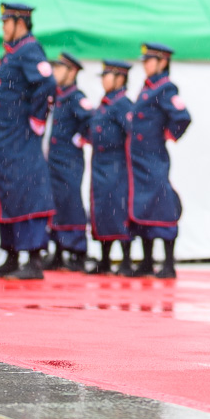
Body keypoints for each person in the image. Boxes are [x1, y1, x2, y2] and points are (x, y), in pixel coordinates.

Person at [0, 2, 58, 280]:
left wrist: (37, 120)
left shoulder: (29, 49)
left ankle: (34, 259)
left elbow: (47, 83)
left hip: (21, 138)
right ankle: (12, 254)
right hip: (6, 140)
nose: (3, 26)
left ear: (20, 22)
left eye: (6, 21)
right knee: (9, 194)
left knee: (28, 193)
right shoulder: (11, 53)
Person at [128, 43, 191, 278]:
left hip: (153, 158)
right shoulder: (148, 88)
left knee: (162, 205)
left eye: (150, 60)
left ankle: (168, 263)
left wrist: (169, 134)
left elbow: (182, 116)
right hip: (139, 159)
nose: (145, 64)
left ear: (162, 62)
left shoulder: (165, 88)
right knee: (145, 206)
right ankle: (147, 260)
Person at [87, 59, 137, 275]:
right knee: (102, 211)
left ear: (119, 78)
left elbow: (134, 134)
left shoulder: (123, 104)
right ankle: (104, 259)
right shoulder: (105, 103)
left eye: (107, 75)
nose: (104, 80)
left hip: (117, 166)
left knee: (119, 210)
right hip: (100, 165)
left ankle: (126, 260)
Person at [47, 53, 93, 270]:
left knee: (71, 202)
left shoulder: (76, 97)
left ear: (72, 72)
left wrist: (81, 138)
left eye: (60, 68)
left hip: (69, 161)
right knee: (56, 203)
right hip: (55, 160)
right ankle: (57, 250)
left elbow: (92, 122)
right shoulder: (60, 96)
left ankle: (77, 250)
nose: (56, 72)